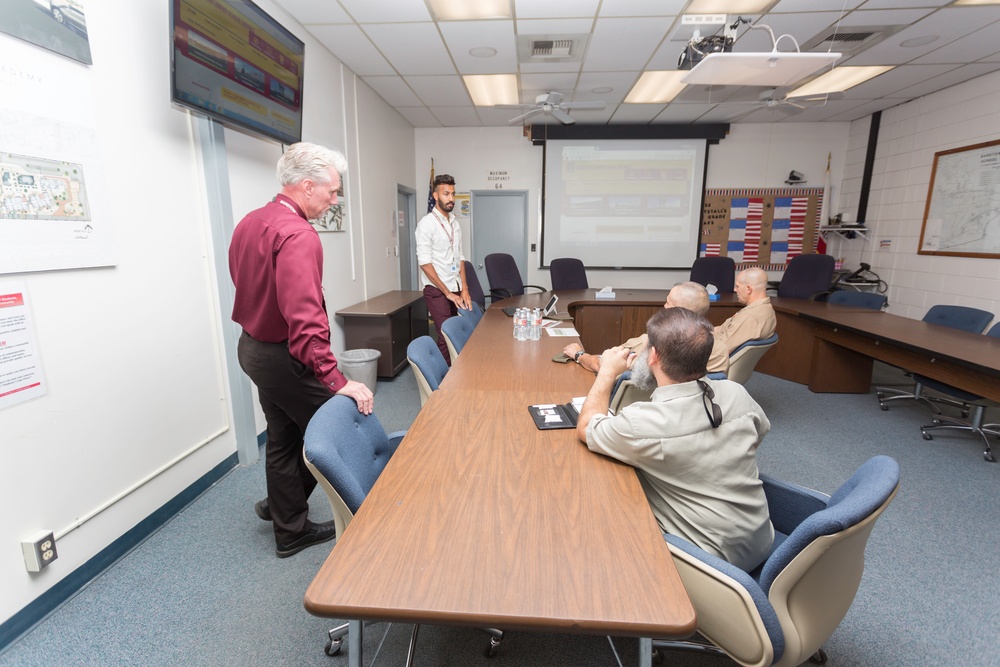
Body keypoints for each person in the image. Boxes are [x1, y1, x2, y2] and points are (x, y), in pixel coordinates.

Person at [229, 142, 374, 559]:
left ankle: (283, 513)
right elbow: (306, 320)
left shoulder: (251, 222)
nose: (334, 200)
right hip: (285, 357)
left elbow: (246, 284)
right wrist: (337, 380)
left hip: (254, 349)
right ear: (307, 186)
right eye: (331, 191)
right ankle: (301, 520)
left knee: (284, 436)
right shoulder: (298, 235)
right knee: (346, 428)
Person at [576, 307, 774, 571]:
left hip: (710, 560)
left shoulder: (642, 422)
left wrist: (607, 373)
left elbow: (586, 427)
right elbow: (758, 435)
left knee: (598, 496)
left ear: (653, 356)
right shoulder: (735, 392)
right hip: (761, 539)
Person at [562, 281, 709, 373]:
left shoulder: (651, 345)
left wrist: (580, 355)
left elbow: (604, 365)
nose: (664, 306)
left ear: (676, 311)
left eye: (668, 303)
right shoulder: (718, 350)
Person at [415, 174, 471, 364]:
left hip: (454, 287)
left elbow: (460, 258)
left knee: (454, 332)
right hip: (437, 290)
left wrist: (464, 289)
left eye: (453, 194)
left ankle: (454, 372)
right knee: (446, 334)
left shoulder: (454, 223)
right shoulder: (426, 225)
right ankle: (444, 380)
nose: (451, 199)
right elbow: (425, 263)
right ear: (436, 196)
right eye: (446, 194)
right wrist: (447, 292)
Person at [709, 266, 776, 375]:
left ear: (749, 289)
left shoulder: (749, 318)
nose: (735, 290)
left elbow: (719, 352)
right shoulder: (767, 310)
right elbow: (725, 331)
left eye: (737, 286)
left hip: (710, 359)